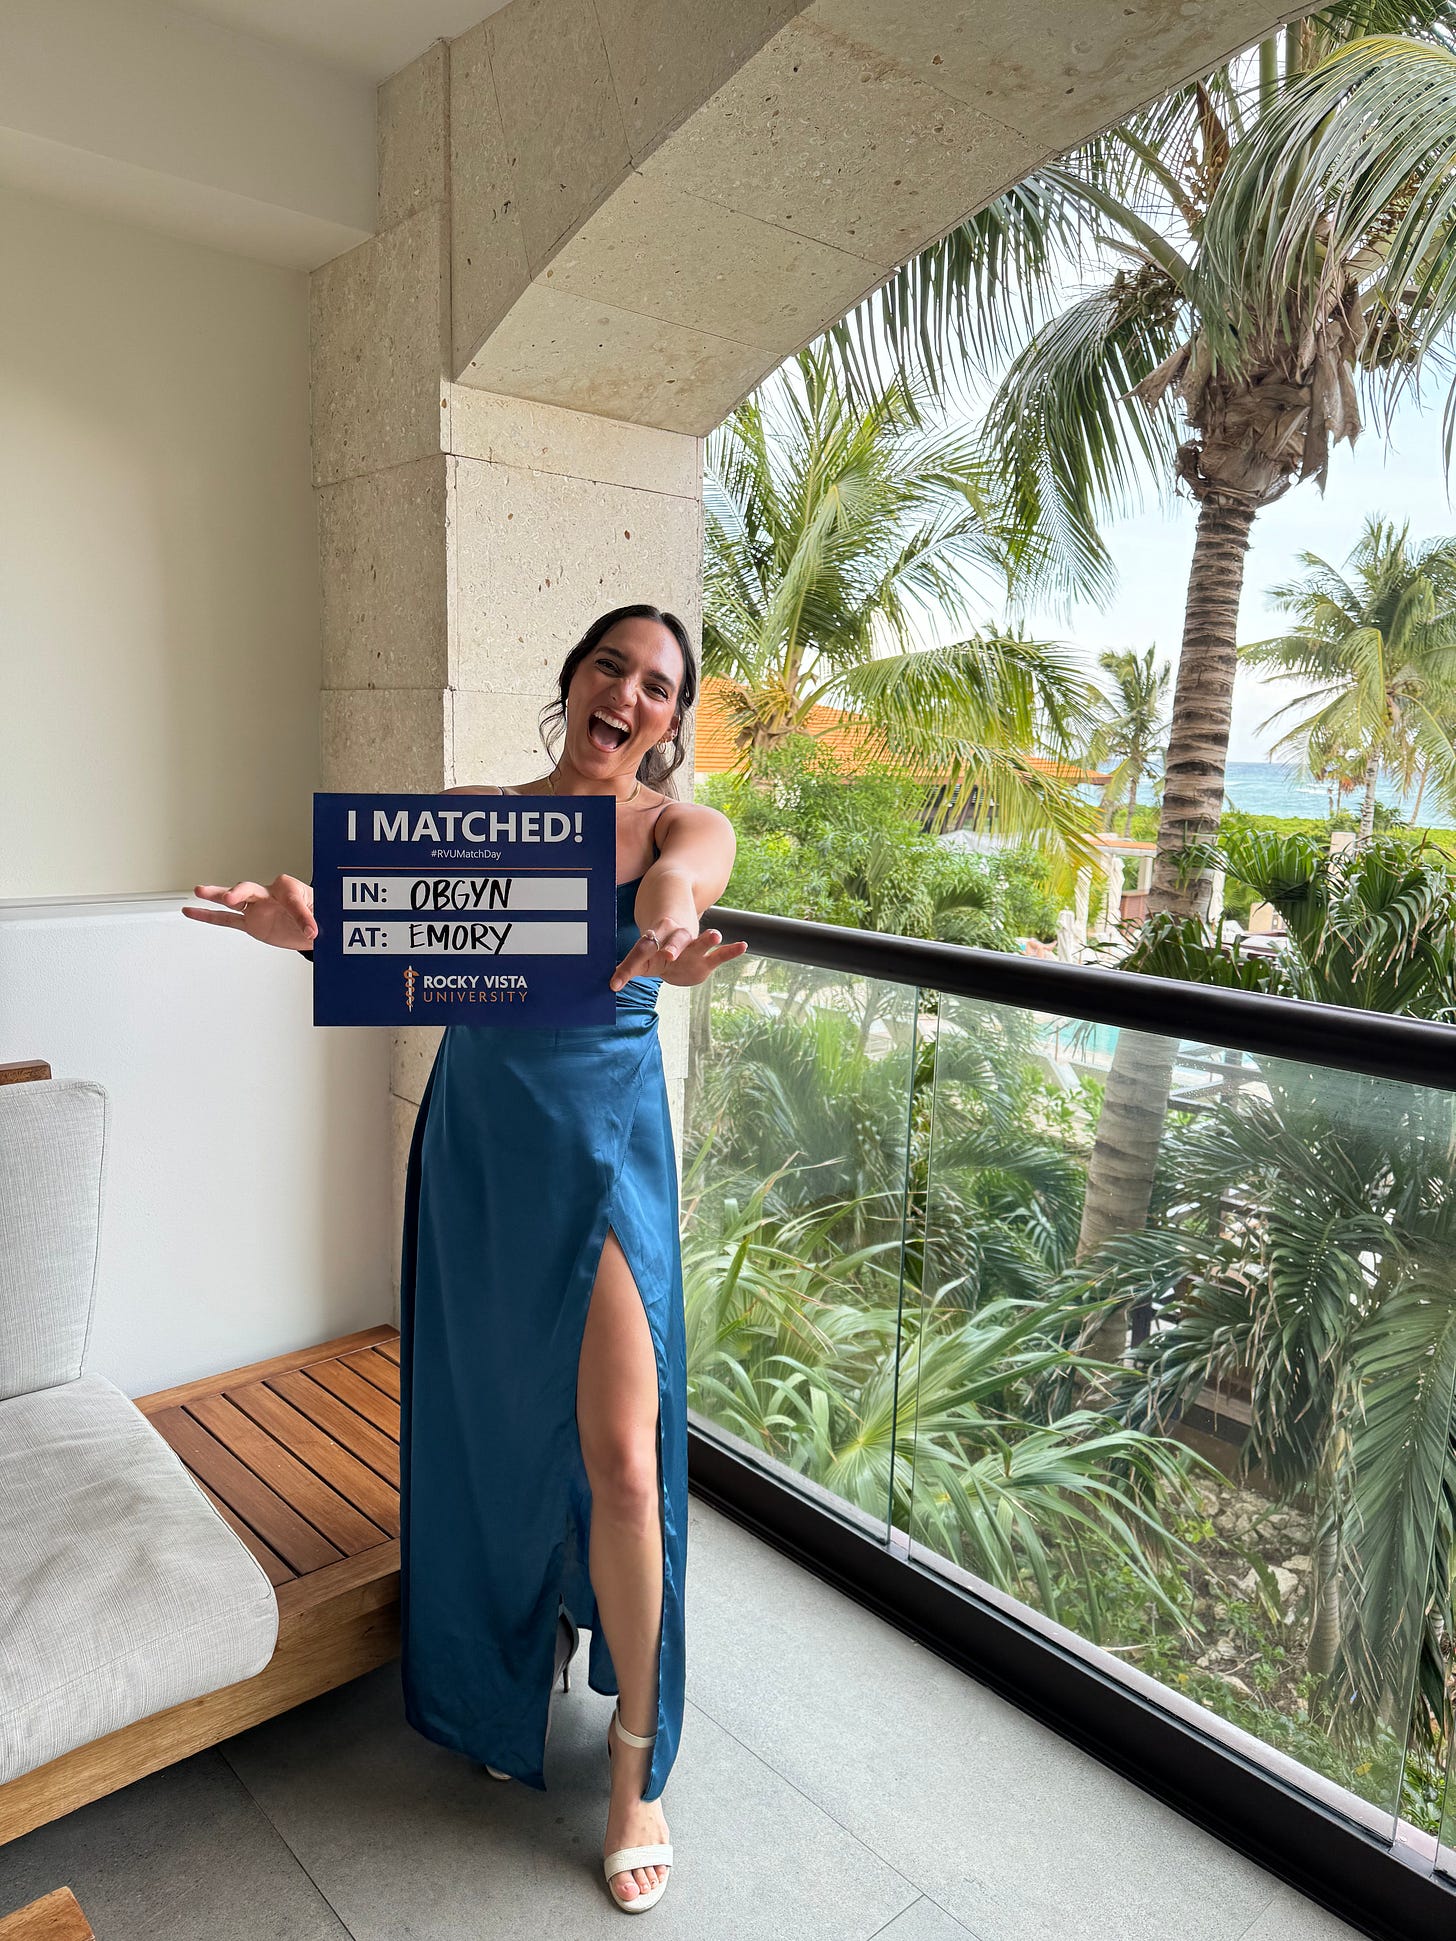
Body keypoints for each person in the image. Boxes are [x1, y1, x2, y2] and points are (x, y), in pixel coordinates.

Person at [182, 604, 746, 1913]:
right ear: (572, 677)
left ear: (670, 719)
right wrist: (305, 926)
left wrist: (665, 925)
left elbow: (685, 881)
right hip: (484, 1138)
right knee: (492, 1429)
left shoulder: (673, 826)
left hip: (604, 1151)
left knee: (618, 1447)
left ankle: (631, 1767)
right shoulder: (479, 812)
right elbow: (388, 935)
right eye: (613, 664)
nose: (630, 693)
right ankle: (508, 1663)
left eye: (659, 685)